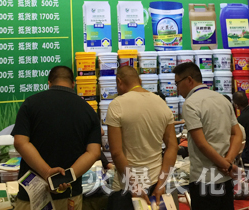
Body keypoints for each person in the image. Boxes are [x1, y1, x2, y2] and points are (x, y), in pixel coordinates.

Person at [12, 65, 102, 210]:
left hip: (32, 197)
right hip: (70, 197)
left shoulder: (30, 104)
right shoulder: (88, 110)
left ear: (49, 83)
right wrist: (65, 178)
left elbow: (20, 142)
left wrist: (47, 172)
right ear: (73, 84)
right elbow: (94, 152)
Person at [105, 66, 178, 209]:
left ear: (119, 81)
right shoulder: (161, 103)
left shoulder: (117, 105)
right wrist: (162, 183)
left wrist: (134, 186)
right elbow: (173, 147)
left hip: (126, 187)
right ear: (139, 80)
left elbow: (116, 152)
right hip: (156, 183)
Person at [174, 62, 242, 210]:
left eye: (177, 83)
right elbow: (237, 134)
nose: (177, 89)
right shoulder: (222, 99)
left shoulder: (190, 104)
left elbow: (202, 144)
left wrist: (226, 165)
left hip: (204, 178)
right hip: (225, 177)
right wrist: (228, 162)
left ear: (189, 80)